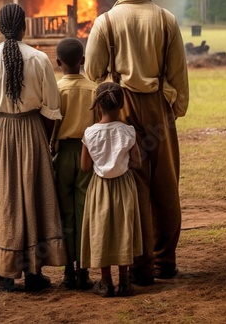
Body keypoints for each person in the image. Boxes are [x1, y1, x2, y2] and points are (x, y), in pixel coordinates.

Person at [84, 0, 189, 286]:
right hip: (159, 106)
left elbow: (92, 71)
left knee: (134, 188)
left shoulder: (106, 22)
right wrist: (174, 109)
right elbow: (178, 75)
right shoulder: (166, 20)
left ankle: (141, 267)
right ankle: (165, 262)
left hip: (122, 108)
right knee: (166, 185)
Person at [0, 3, 67, 292]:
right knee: (36, 198)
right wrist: (48, 142)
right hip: (32, 132)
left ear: (0, 28)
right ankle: (34, 272)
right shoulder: (39, 59)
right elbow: (53, 108)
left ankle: (4, 273)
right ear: (25, 26)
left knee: (4, 202)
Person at [80, 82, 142, 297]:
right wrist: (122, 162)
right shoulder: (128, 131)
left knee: (102, 230)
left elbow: (85, 167)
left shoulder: (89, 133)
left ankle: (106, 283)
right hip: (124, 185)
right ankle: (124, 281)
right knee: (123, 228)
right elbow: (137, 162)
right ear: (122, 105)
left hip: (100, 188)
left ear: (98, 106)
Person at [51, 38, 97, 290]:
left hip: (63, 153)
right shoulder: (94, 89)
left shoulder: (55, 90)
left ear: (58, 63)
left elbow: (52, 125)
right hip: (87, 154)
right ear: (83, 61)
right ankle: (84, 270)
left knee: (65, 211)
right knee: (85, 210)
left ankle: (68, 268)